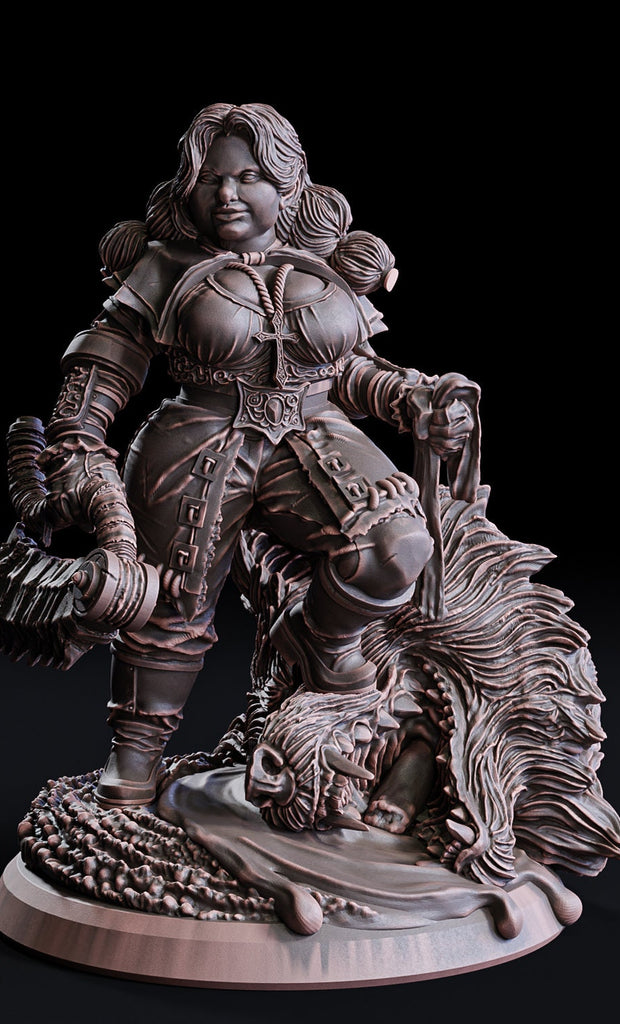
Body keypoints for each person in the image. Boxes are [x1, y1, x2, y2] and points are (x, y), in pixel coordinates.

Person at [36, 103, 478, 807]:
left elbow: (350, 370)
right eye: (210, 179)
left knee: (397, 543)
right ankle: (135, 758)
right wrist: (77, 436)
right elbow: (106, 361)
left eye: (249, 178)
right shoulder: (163, 267)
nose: (228, 194)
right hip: (197, 441)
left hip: (315, 434)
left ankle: (316, 638)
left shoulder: (322, 271)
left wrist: (412, 400)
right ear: (187, 189)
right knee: (172, 603)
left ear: (287, 185)